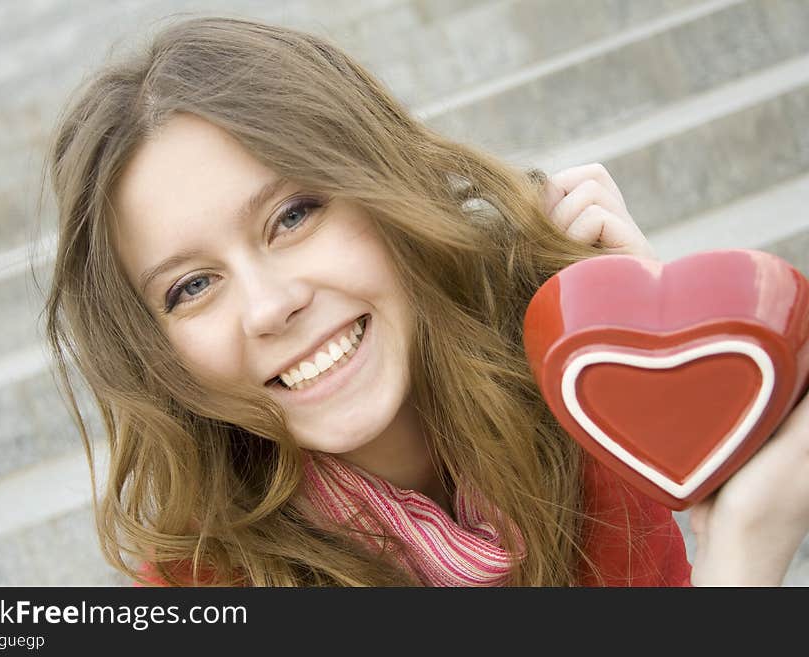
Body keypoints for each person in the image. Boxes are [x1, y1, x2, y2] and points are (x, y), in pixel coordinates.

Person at [42, 16, 809, 587]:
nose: (269, 306)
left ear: (383, 191)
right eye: (192, 286)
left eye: (294, 215)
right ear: (158, 351)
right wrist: (743, 559)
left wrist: (653, 371)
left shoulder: (560, 399)